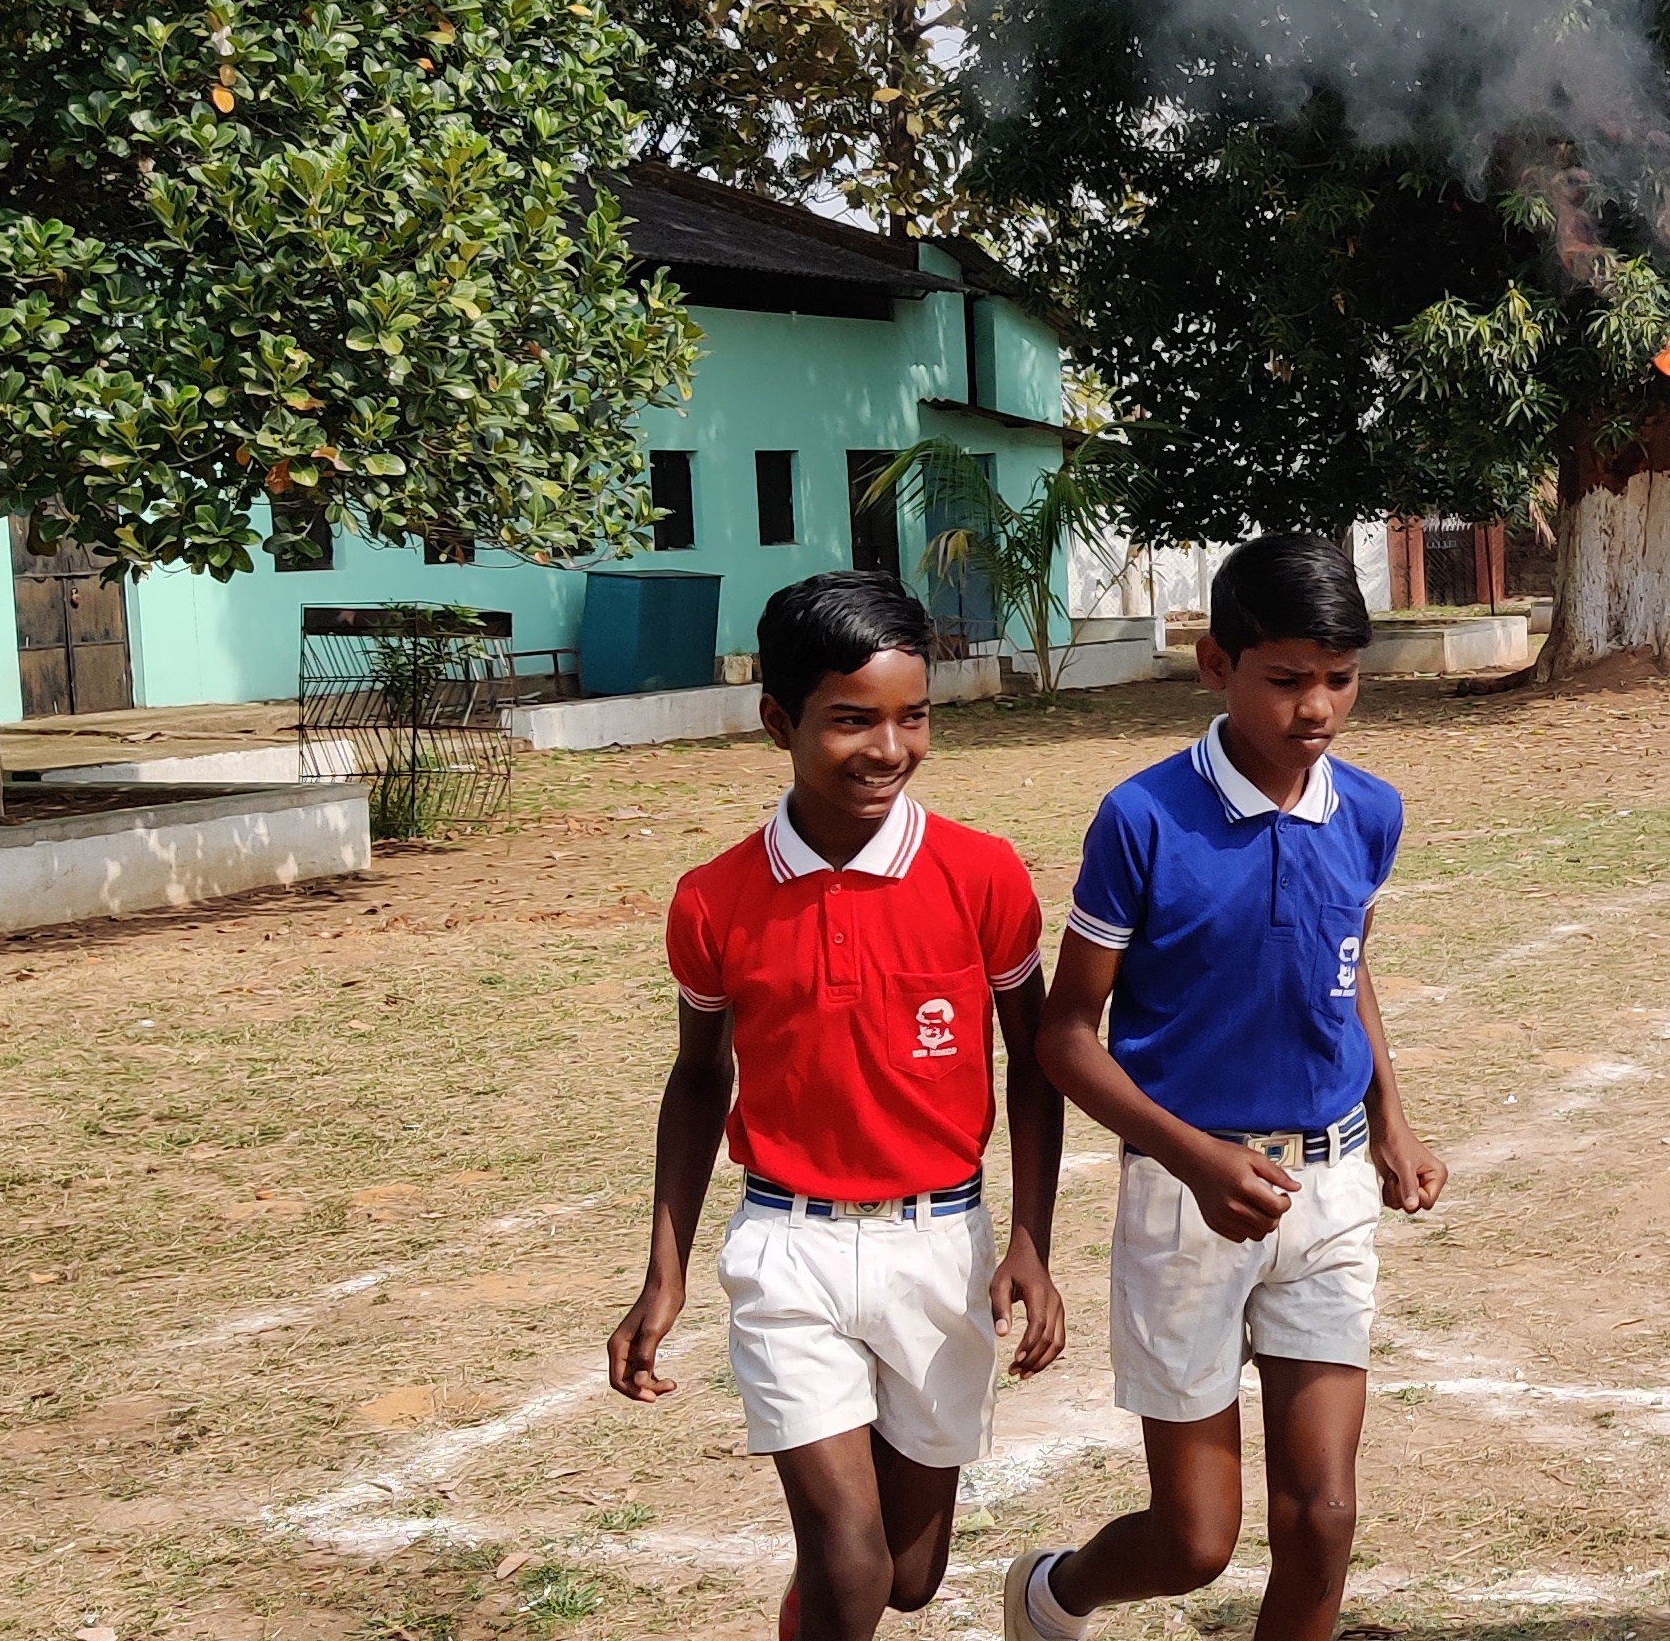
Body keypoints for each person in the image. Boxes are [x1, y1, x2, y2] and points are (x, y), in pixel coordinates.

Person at [609, 572, 1066, 1641]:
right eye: (851, 720)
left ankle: (812, 1606)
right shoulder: (714, 898)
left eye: (913, 717)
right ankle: (826, 1591)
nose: (888, 748)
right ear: (779, 721)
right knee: (851, 1560)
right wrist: (665, 1272)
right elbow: (698, 1078)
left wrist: (1032, 1243)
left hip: (941, 1249)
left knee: (907, 1575)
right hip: (789, 1250)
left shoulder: (982, 875)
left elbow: (1036, 1062)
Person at [1009, 535, 1449, 1641]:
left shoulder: (1370, 812)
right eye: (1287, 678)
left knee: (1324, 1517)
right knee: (1196, 1541)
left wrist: (1391, 1120)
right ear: (1216, 664)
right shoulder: (1143, 819)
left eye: (1340, 679)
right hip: (1184, 1197)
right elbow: (1066, 1036)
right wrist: (1194, 1158)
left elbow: (1345, 968)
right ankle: (1052, 1594)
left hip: (1328, 1193)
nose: (1318, 708)